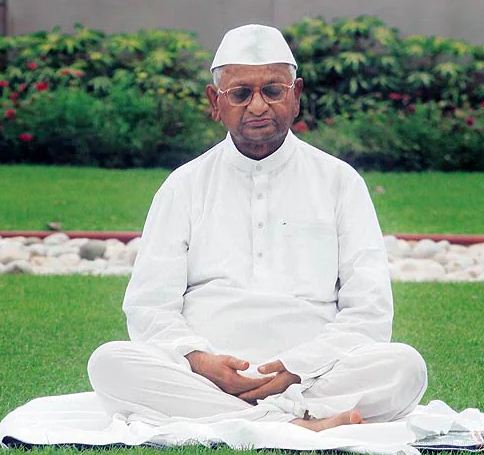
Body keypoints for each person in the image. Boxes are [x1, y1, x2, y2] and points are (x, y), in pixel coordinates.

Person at [87, 24, 428, 432]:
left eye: (272, 90)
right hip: (206, 377)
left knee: (406, 368)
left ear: (296, 96)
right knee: (109, 363)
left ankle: (246, 420)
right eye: (241, 94)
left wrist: (300, 366)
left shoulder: (340, 182)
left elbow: (369, 310)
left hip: (314, 375)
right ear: (215, 102)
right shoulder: (184, 185)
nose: (258, 106)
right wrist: (200, 360)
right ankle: (295, 424)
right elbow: (149, 306)